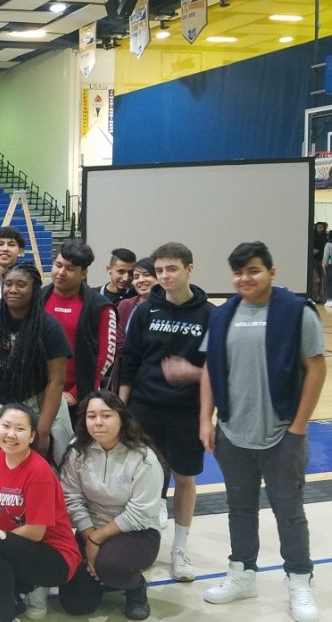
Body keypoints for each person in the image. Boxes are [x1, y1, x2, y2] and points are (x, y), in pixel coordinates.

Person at [200, 241, 324, 622]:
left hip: (282, 433)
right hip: (233, 433)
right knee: (239, 508)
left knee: (289, 512)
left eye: (253, 270)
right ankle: (242, 573)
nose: (244, 278)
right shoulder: (223, 315)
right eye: (238, 272)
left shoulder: (295, 312)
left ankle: (299, 581)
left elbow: (316, 369)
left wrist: (299, 427)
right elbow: (209, 369)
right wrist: (205, 418)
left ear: (271, 272)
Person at [119, 242, 213, 583]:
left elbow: (219, 370)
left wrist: (194, 374)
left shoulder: (209, 314)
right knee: (143, 479)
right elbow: (129, 361)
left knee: (185, 478)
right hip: (145, 407)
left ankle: (180, 549)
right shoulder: (146, 312)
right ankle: (142, 545)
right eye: (159, 270)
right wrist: (122, 408)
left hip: (187, 410)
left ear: (190, 268)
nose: (164, 276)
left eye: (171, 269)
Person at [0, 404, 81, 622]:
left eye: (20, 429)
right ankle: (13, 602)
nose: (11, 434)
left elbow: (36, 532)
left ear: (32, 436)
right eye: (5, 426)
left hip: (55, 557)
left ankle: (5, 616)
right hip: (13, 548)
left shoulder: (39, 472)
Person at [58, 391, 163, 621]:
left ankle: (135, 587)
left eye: (106, 415)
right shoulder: (78, 449)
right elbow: (71, 498)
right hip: (90, 528)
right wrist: (88, 536)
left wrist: (96, 541)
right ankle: (107, 578)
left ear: (121, 418)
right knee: (75, 604)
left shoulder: (143, 457)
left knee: (111, 564)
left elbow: (140, 512)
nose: (98, 422)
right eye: (91, 416)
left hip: (137, 531)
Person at [0, 262, 74, 465]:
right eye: (8, 284)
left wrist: (42, 431)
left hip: (40, 407)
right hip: (1, 410)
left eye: (21, 284)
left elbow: (56, 382)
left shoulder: (49, 327)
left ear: (34, 289)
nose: (13, 289)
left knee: (47, 472)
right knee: (0, 477)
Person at [43, 240, 116, 427]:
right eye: (58, 265)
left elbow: (105, 356)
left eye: (70, 268)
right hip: (38, 393)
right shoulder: (38, 298)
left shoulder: (100, 307)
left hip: (77, 397)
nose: (61, 272)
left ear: (83, 273)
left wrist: (75, 392)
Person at [116, 258, 157, 352]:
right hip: (127, 363)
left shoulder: (168, 305)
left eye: (147, 275)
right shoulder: (125, 305)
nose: (141, 280)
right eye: (136, 277)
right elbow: (117, 342)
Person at [311, 221, 327, 303]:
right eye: (318, 227)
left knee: (321, 280)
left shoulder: (325, 238)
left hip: (322, 261)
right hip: (314, 261)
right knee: (315, 280)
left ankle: (321, 297)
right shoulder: (313, 237)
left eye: (321, 227)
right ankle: (315, 297)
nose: (320, 229)